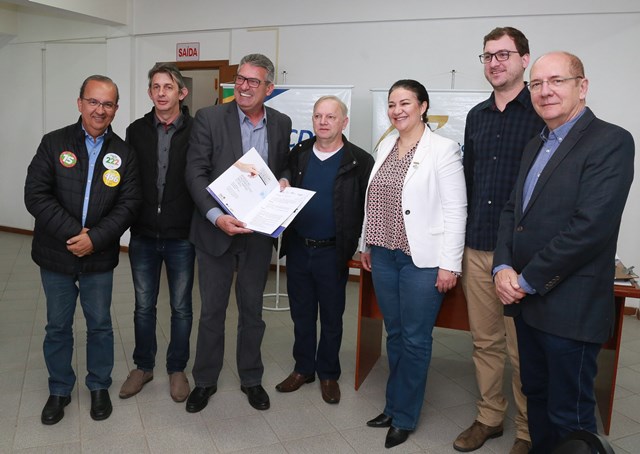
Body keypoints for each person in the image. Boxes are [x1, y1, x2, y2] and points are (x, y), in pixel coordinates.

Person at [493, 51, 634, 453]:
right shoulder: (534, 144)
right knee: (535, 396)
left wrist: (525, 279)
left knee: (569, 416)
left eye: (556, 81)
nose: (544, 91)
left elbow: (591, 228)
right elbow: (511, 212)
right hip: (526, 304)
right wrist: (502, 265)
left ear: (582, 86)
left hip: (569, 307)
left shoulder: (611, 141)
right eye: (536, 84)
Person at [24, 75, 141, 425]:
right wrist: (76, 234)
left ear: (116, 109)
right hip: (55, 253)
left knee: (100, 325)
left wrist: (96, 238)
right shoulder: (53, 142)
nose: (100, 110)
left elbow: (130, 203)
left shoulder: (124, 152)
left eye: (107, 104)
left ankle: (98, 386)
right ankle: (59, 389)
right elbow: (36, 194)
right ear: (80, 103)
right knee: (57, 326)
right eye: (93, 101)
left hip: (99, 255)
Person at [360, 80, 466, 449]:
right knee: (395, 333)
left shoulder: (443, 149)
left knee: (416, 339)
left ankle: (404, 416)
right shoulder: (386, 144)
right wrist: (367, 244)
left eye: (405, 103)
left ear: (423, 106)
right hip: (384, 255)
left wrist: (450, 265)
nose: (397, 110)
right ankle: (392, 406)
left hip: (423, 261)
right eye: (391, 104)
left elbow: (456, 210)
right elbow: (373, 200)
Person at [454, 27, 544, 454]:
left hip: (523, 255)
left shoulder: (543, 111)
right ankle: (490, 417)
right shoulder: (476, 116)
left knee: (522, 347)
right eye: (488, 55)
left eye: (504, 54)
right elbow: (469, 183)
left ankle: (527, 430)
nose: (495, 62)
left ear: (525, 59)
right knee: (484, 341)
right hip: (478, 245)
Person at [185, 53, 292, 413]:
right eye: (240, 79)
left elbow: (284, 165)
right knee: (212, 312)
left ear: (269, 88)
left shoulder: (281, 122)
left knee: (252, 314)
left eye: (252, 81)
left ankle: (251, 378)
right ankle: (204, 381)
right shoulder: (210, 118)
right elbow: (195, 173)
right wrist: (216, 216)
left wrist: (285, 179)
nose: (244, 87)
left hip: (258, 236)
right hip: (216, 232)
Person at [275, 96, 374, 404]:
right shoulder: (300, 153)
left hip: (333, 252)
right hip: (299, 248)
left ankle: (329, 373)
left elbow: (369, 208)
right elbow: (286, 177)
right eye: (318, 116)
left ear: (344, 122)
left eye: (331, 117)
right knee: (301, 314)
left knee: (331, 316)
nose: (323, 122)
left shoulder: (359, 161)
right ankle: (303, 368)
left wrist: (363, 247)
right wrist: (283, 180)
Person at [119, 63, 195, 403]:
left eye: (168, 86)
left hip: (182, 235)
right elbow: (126, 181)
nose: (161, 92)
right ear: (150, 92)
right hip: (144, 234)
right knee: (143, 305)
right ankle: (143, 366)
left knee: (180, 307)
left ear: (182, 92)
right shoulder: (135, 130)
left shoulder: (197, 130)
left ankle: (177, 369)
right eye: (156, 87)